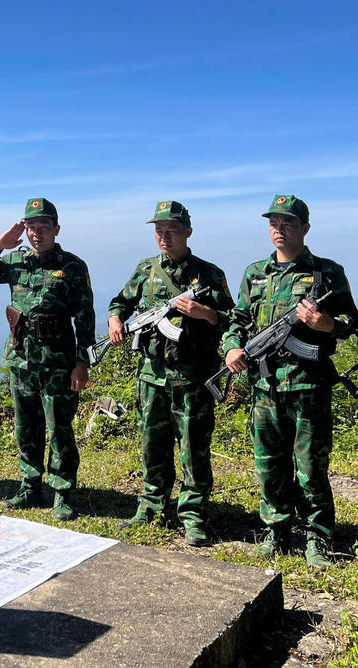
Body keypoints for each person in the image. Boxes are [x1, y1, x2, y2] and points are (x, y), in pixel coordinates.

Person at [222, 195, 358, 566]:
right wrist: (232, 347)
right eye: (274, 224)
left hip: (309, 384)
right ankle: (276, 529)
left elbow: (351, 323)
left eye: (288, 224)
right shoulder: (255, 273)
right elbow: (238, 320)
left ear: (305, 228)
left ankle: (318, 537)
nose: (279, 230)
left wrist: (325, 324)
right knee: (269, 464)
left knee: (311, 467)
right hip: (265, 386)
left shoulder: (326, 272)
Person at [108, 201, 233, 545]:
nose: (164, 237)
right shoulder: (145, 270)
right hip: (151, 375)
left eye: (172, 230)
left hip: (192, 376)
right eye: (159, 231)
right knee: (153, 445)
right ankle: (151, 507)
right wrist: (115, 319)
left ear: (188, 232)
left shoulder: (209, 273)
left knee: (194, 448)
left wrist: (204, 312)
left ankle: (193, 514)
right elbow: (120, 302)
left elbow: (232, 321)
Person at [0, 198, 94, 521]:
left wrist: (82, 362)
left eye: (43, 227)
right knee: (26, 426)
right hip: (21, 357)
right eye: (32, 228)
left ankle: (62, 492)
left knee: (59, 428)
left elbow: (85, 317)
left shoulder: (72, 266)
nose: (37, 233)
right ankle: (30, 485)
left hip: (58, 360)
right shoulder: (15, 261)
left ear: (56, 229)